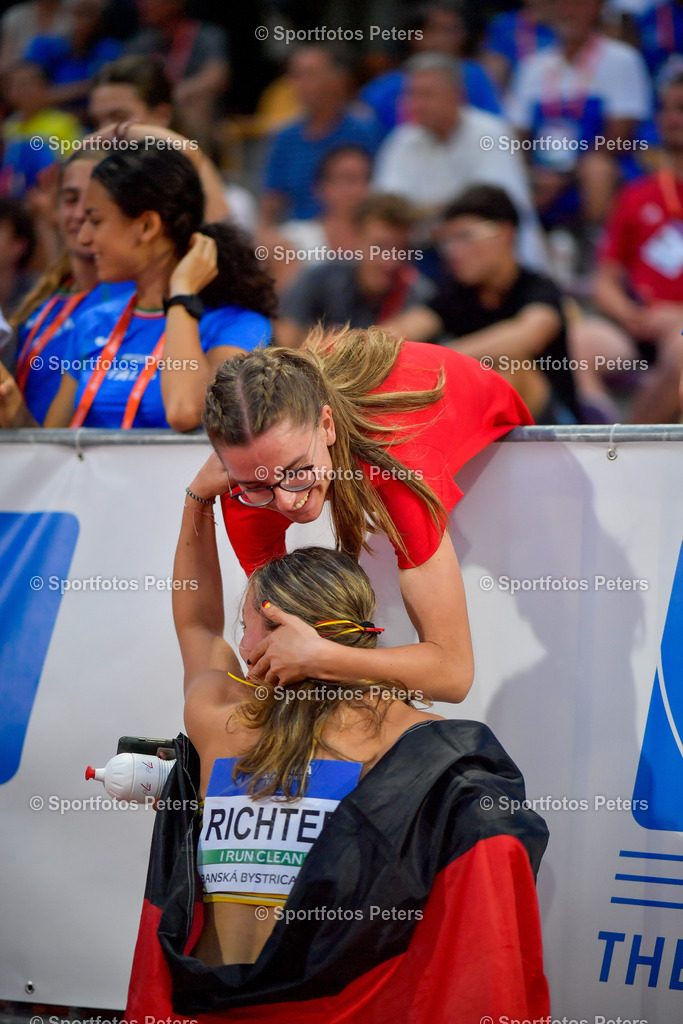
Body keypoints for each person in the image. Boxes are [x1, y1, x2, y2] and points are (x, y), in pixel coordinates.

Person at [123, 497, 549, 1019]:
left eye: (248, 623)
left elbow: (198, 626)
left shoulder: (223, 723)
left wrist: (197, 499)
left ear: (275, 628)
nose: (239, 639)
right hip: (334, 1009)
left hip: (213, 1004)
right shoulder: (411, 742)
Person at [195, 327, 533, 703]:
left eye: (297, 471)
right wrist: (196, 498)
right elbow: (266, 636)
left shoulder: (401, 465)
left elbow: (453, 673)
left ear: (326, 427)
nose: (287, 501)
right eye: (258, 484)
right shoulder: (245, 485)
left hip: (488, 414)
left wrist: (322, 656)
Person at [0, 143, 273, 431]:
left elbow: (185, 410)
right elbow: (53, 448)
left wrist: (182, 295)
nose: (84, 237)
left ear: (146, 226)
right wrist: (10, 407)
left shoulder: (239, 325)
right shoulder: (94, 321)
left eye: (95, 221)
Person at [383, 185, 580, 424]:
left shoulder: (538, 287)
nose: (453, 251)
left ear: (505, 234)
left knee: (509, 368)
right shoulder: (455, 294)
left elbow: (529, 334)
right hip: (478, 423)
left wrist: (442, 359)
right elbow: (407, 327)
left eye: (464, 237)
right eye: (448, 241)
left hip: (556, 431)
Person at [372, 52, 547, 270]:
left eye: (426, 95)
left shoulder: (491, 133)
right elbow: (386, 210)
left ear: (456, 96)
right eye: (411, 95)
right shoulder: (401, 141)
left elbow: (490, 210)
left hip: (500, 262)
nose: (416, 104)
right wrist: (434, 215)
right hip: (426, 258)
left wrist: (422, 216)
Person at [6, 151, 132, 425]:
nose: (79, 214)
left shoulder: (133, 298)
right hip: (31, 460)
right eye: (71, 199)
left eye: (93, 202)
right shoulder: (41, 302)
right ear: (55, 207)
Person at [505, 0, 652, 230]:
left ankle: (598, 246)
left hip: (592, 166)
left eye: (578, 4)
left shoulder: (621, 59)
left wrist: (567, 174)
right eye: (562, 4)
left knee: (598, 170)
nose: (569, 10)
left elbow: (619, 136)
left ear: (596, 8)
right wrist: (532, 172)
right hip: (542, 170)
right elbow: (517, 135)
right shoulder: (531, 67)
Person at [588, 69, 683, 422]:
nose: (674, 118)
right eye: (668, 109)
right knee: (580, 341)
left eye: (682, 108)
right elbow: (604, 279)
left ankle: (629, 450)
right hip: (640, 326)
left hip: (679, 329)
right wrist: (626, 311)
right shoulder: (636, 194)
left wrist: (677, 315)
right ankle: (600, 442)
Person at [274, 194, 434, 348]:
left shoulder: (420, 295)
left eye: (401, 249)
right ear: (357, 240)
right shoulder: (319, 279)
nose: (390, 261)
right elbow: (285, 342)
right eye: (378, 247)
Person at [87, 59, 229, 224]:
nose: (103, 135)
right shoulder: (90, 179)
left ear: (161, 116)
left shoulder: (224, 194)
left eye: (120, 119)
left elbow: (219, 242)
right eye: (96, 122)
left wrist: (123, 132)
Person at [260, 45, 382, 226]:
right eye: (295, 75)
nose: (298, 84)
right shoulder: (285, 138)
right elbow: (271, 201)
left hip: (355, 232)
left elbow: (379, 193)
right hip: (299, 235)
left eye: (309, 74)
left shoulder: (365, 131)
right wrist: (266, 233)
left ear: (337, 80)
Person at [360, 1, 502, 135]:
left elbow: (495, 123)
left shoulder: (475, 75)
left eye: (454, 30)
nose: (446, 38)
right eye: (438, 30)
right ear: (415, 35)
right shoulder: (385, 87)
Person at [258, 144, 372, 293]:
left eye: (366, 179)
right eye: (348, 179)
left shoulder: (382, 245)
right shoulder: (294, 239)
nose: (358, 190)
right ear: (323, 187)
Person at [125, 0, 229, 148]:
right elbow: (125, 77)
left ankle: (195, 162)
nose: (144, 5)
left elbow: (216, 76)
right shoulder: (141, 42)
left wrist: (179, 92)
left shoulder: (206, 35)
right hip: (149, 104)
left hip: (184, 105)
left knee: (196, 105)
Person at [25, 0, 122, 116]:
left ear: (100, 20)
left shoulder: (110, 49)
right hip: (44, 117)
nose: (83, 22)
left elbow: (104, 86)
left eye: (90, 15)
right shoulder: (44, 45)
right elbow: (29, 89)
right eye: (79, 14)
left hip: (90, 117)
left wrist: (49, 96)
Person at [0, 61, 81, 198]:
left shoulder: (64, 122)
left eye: (29, 84)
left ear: (44, 87)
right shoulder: (8, 127)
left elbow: (73, 162)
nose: (24, 91)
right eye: (17, 86)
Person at [481, 0, 557, 93]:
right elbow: (493, 68)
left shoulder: (562, 24)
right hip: (513, 92)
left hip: (555, 89)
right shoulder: (504, 24)